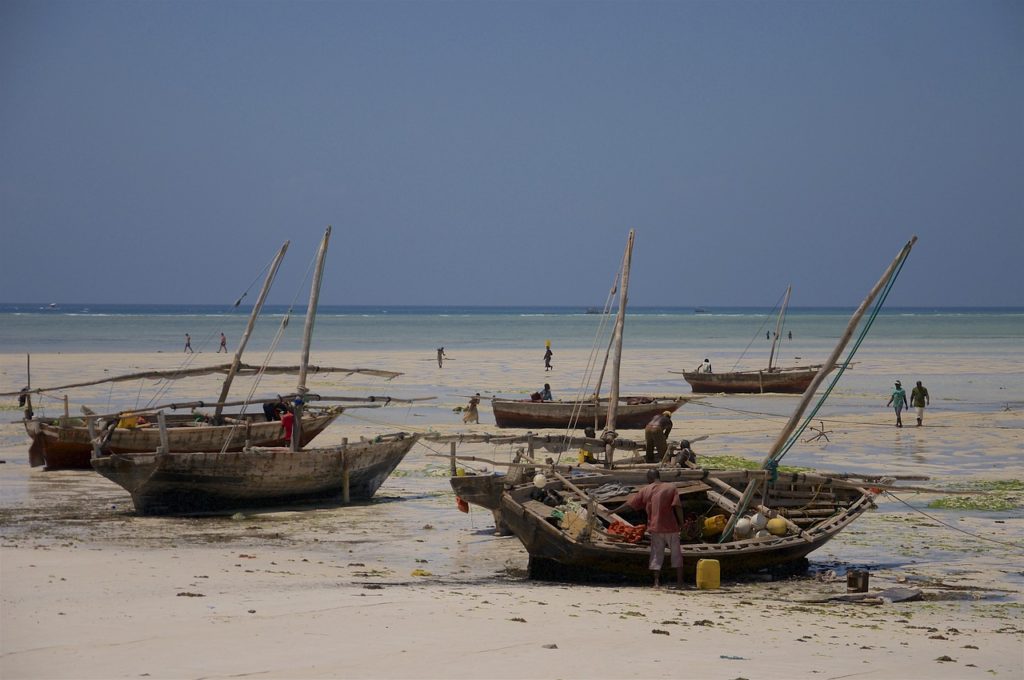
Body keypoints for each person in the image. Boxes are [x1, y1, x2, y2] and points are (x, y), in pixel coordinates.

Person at [610, 469, 685, 588]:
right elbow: (677, 507)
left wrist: (613, 511)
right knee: (676, 554)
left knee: (656, 555)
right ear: (658, 476)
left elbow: (629, 504)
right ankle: (680, 583)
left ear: (649, 478)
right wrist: (681, 523)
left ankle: (656, 583)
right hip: (671, 526)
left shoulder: (645, 490)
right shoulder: (671, 487)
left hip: (655, 527)